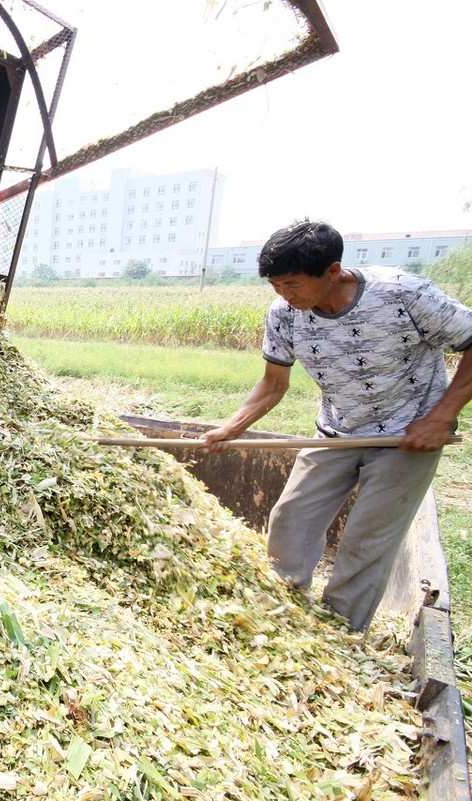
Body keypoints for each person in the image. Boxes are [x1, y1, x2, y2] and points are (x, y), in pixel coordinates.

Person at [201, 220, 472, 631]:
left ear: (333, 271)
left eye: (293, 285)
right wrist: (230, 428)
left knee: (366, 545)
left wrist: (441, 418)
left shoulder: (403, 294)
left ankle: (339, 634)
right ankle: (283, 614)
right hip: (335, 433)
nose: (286, 297)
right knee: (289, 521)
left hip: (405, 438)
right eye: (276, 286)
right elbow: (274, 384)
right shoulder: (285, 315)